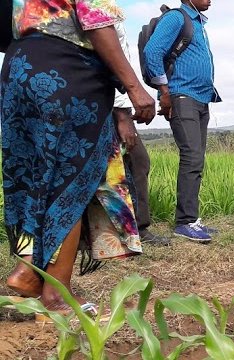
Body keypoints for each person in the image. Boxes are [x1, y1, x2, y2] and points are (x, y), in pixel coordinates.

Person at [4, 0, 155, 315]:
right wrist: (134, 89)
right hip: (68, 72)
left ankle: (29, 266)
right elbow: (98, 22)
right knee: (73, 183)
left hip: (19, 70)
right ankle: (53, 291)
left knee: (33, 179)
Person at [143, 0, 222, 243]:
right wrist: (164, 92)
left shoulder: (198, 22)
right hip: (181, 96)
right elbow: (152, 51)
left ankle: (192, 219)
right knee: (192, 156)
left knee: (196, 158)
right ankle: (185, 222)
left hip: (200, 98)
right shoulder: (177, 18)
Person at [115, 22, 169, 246]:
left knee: (136, 163)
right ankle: (135, 229)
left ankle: (135, 228)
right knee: (136, 162)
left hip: (113, 104)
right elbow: (108, 66)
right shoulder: (97, 10)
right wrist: (122, 114)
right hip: (105, 106)